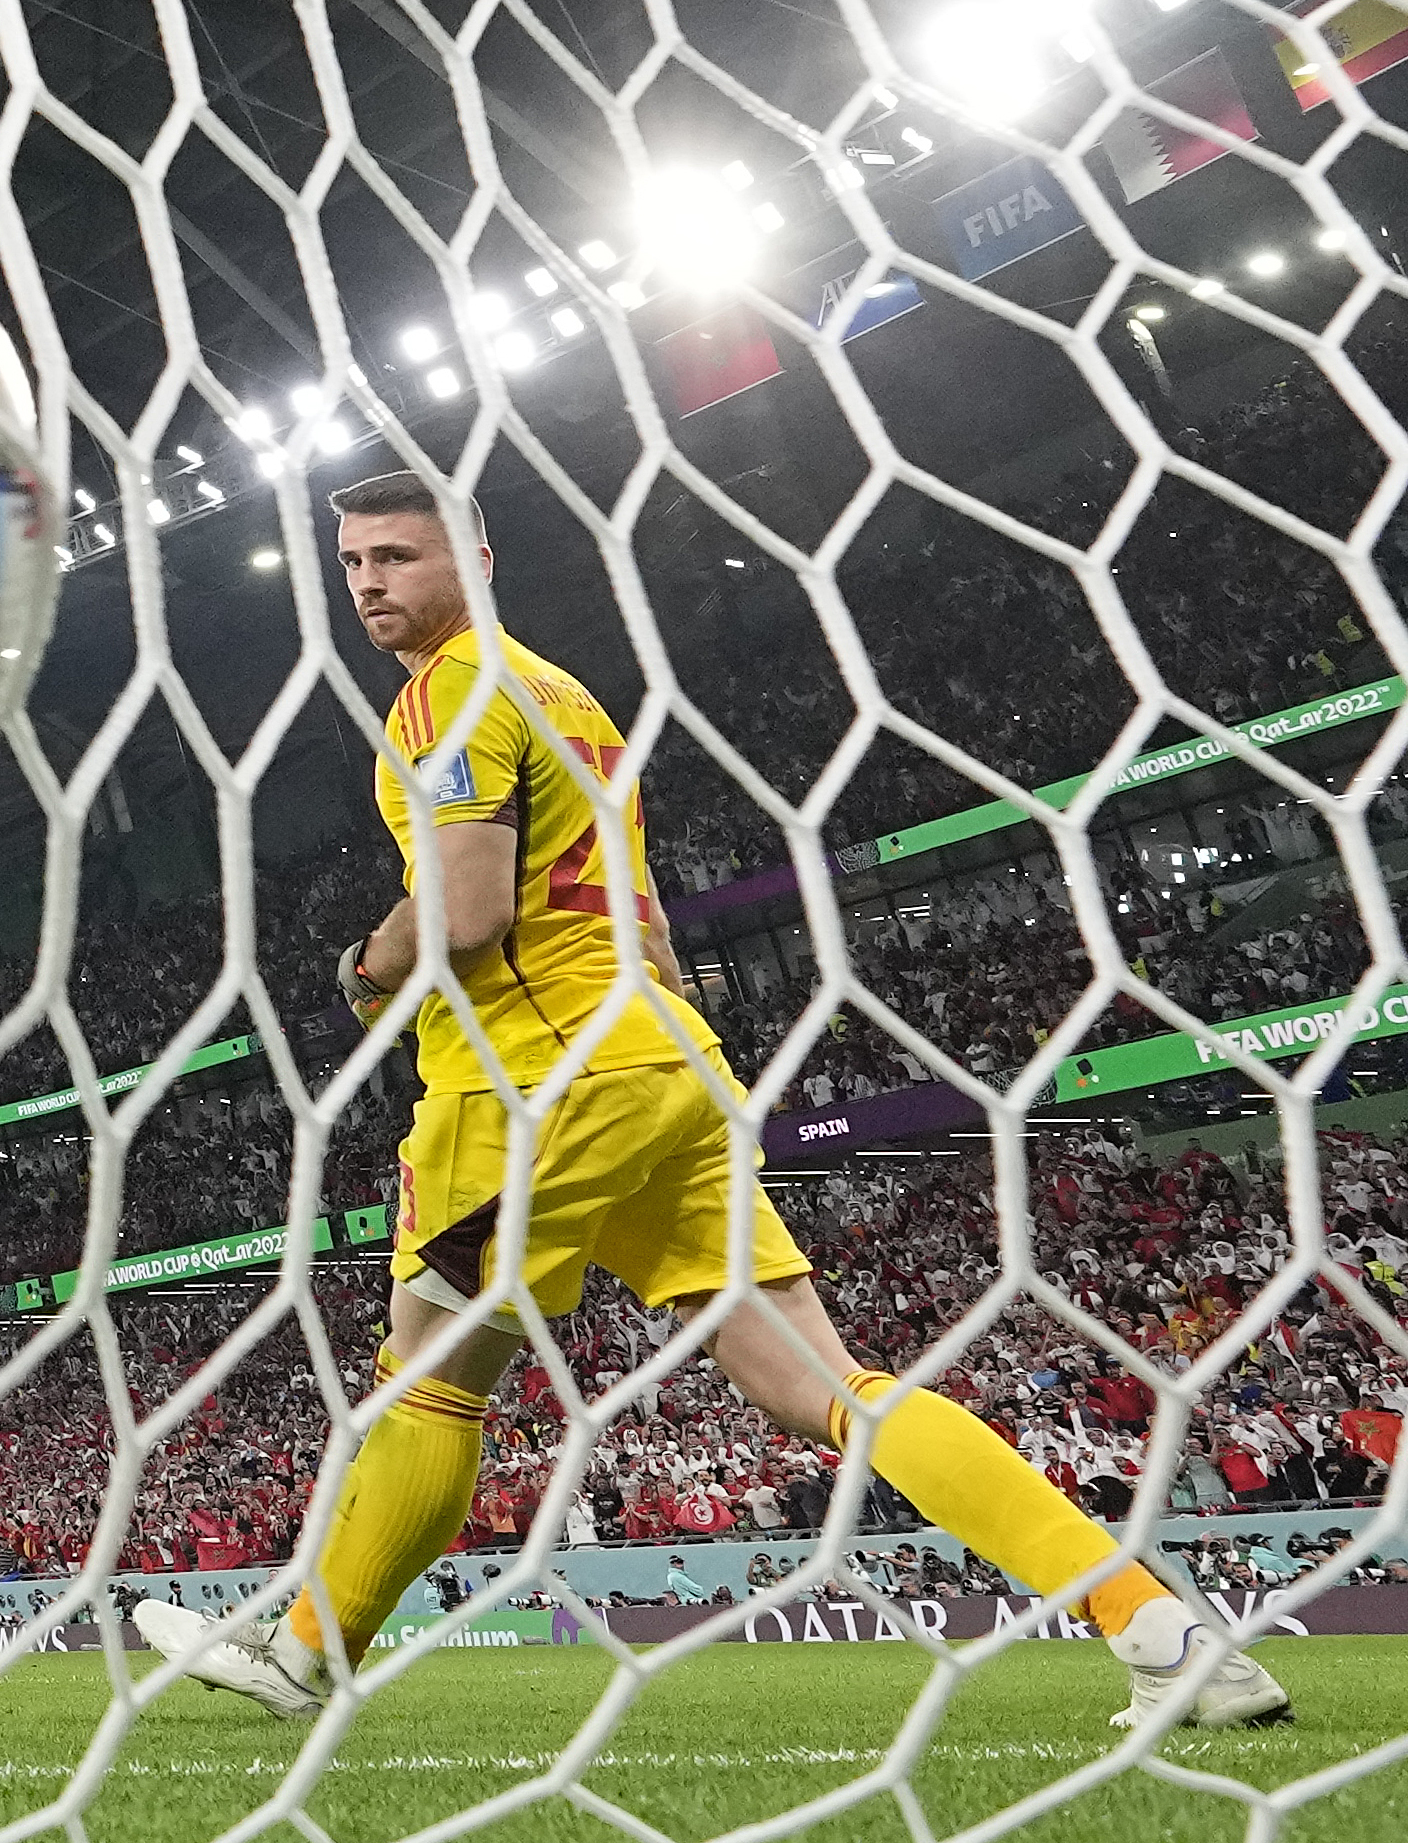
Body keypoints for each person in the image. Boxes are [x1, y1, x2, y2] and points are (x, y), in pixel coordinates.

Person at [130, 470, 1287, 1732]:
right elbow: (642, 911)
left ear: (477, 556)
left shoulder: (446, 694)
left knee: (429, 1378)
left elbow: (467, 914)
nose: (369, 586)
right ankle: (1159, 1630)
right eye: (352, 564)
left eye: (398, 557)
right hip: (665, 1066)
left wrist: (360, 970)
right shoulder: (564, 696)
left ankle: (302, 1651)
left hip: (536, 1084)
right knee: (826, 1385)